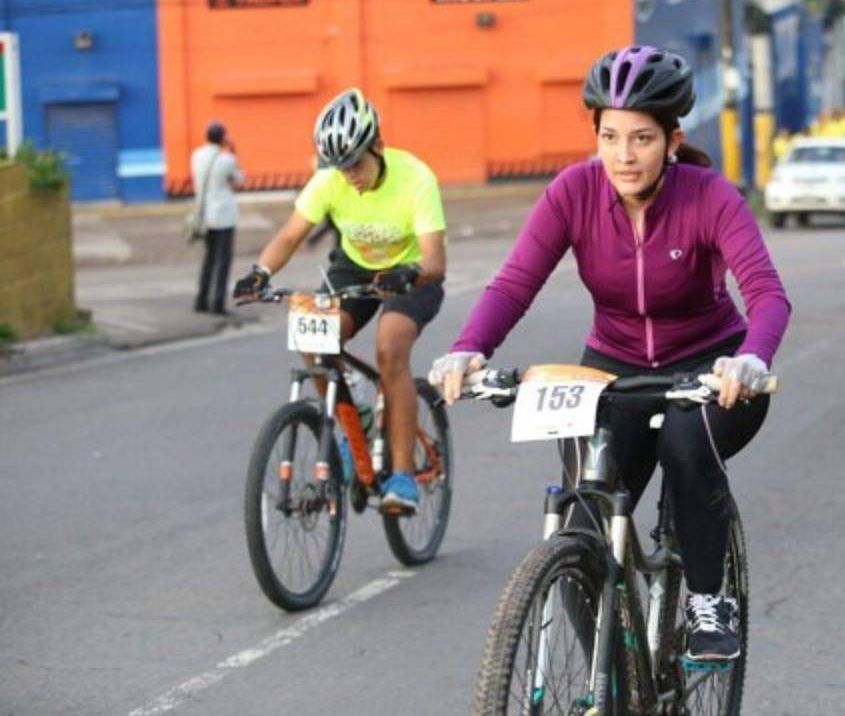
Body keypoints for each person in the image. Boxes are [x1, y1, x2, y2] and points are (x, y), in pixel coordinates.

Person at [428, 45, 791, 662]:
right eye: (611, 136)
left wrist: (752, 359)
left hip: (712, 365)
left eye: (643, 138)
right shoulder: (572, 192)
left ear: (672, 140)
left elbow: (767, 293)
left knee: (685, 442)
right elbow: (515, 283)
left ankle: (707, 599)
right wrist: (468, 349)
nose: (624, 155)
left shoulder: (710, 196)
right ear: (594, 133)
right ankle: (618, 675)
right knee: (582, 519)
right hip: (613, 364)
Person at [232, 87, 448, 514]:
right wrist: (261, 272)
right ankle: (355, 427)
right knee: (312, 339)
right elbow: (291, 234)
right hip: (353, 270)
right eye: (340, 166)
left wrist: (410, 272)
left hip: (411, 275)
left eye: (355, 163)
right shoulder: (329, 181)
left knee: (390, 348)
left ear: (379, 148)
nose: (349, 175)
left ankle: (402, 477)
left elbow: (435, 259)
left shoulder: (415, 178)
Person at [192, 121, 244, 316]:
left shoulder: (196, 155)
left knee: (209, 258)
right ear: (222, 137)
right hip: (223, 215)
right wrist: (232, 149)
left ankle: (201, 300)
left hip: (204, 214)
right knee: (223, 260)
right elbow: (239, 181)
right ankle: (217, 303)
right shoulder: (227, 159)